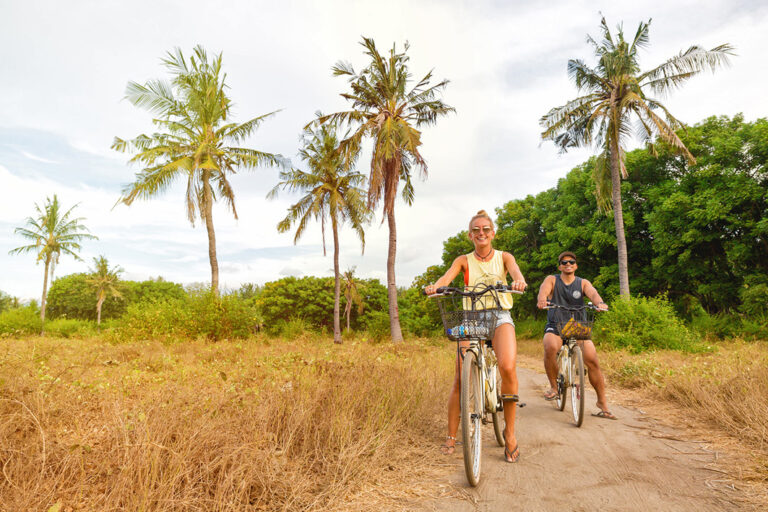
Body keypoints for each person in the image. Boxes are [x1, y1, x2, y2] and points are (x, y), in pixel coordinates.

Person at [425, 210, 527, 462]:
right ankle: (451, 436)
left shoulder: (504, 257)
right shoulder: (463, 260)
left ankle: (510, 433)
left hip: (500, 315)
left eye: (486, 229)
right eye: (476, 230)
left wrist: (519, 282)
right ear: (470, 235)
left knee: (507, 367)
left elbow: (515, 272)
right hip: (471, 318)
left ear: (493, 233)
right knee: (460, 376)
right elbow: (447, 277)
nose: (481, 233)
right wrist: (435, 286)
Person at [536, 251, 616, 419]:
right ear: (560, 266)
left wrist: (599, 302)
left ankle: (602, 403)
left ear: (576, 265)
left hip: (577, 327)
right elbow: (544, 290)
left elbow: (593, 293)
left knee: (592, 360)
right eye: (564, 262)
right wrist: (542, 299)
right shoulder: (552, 279)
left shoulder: (582, 283)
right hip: (556, 325)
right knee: (550, 346)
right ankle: (554, 387)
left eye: (571, 262)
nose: (568, 264)